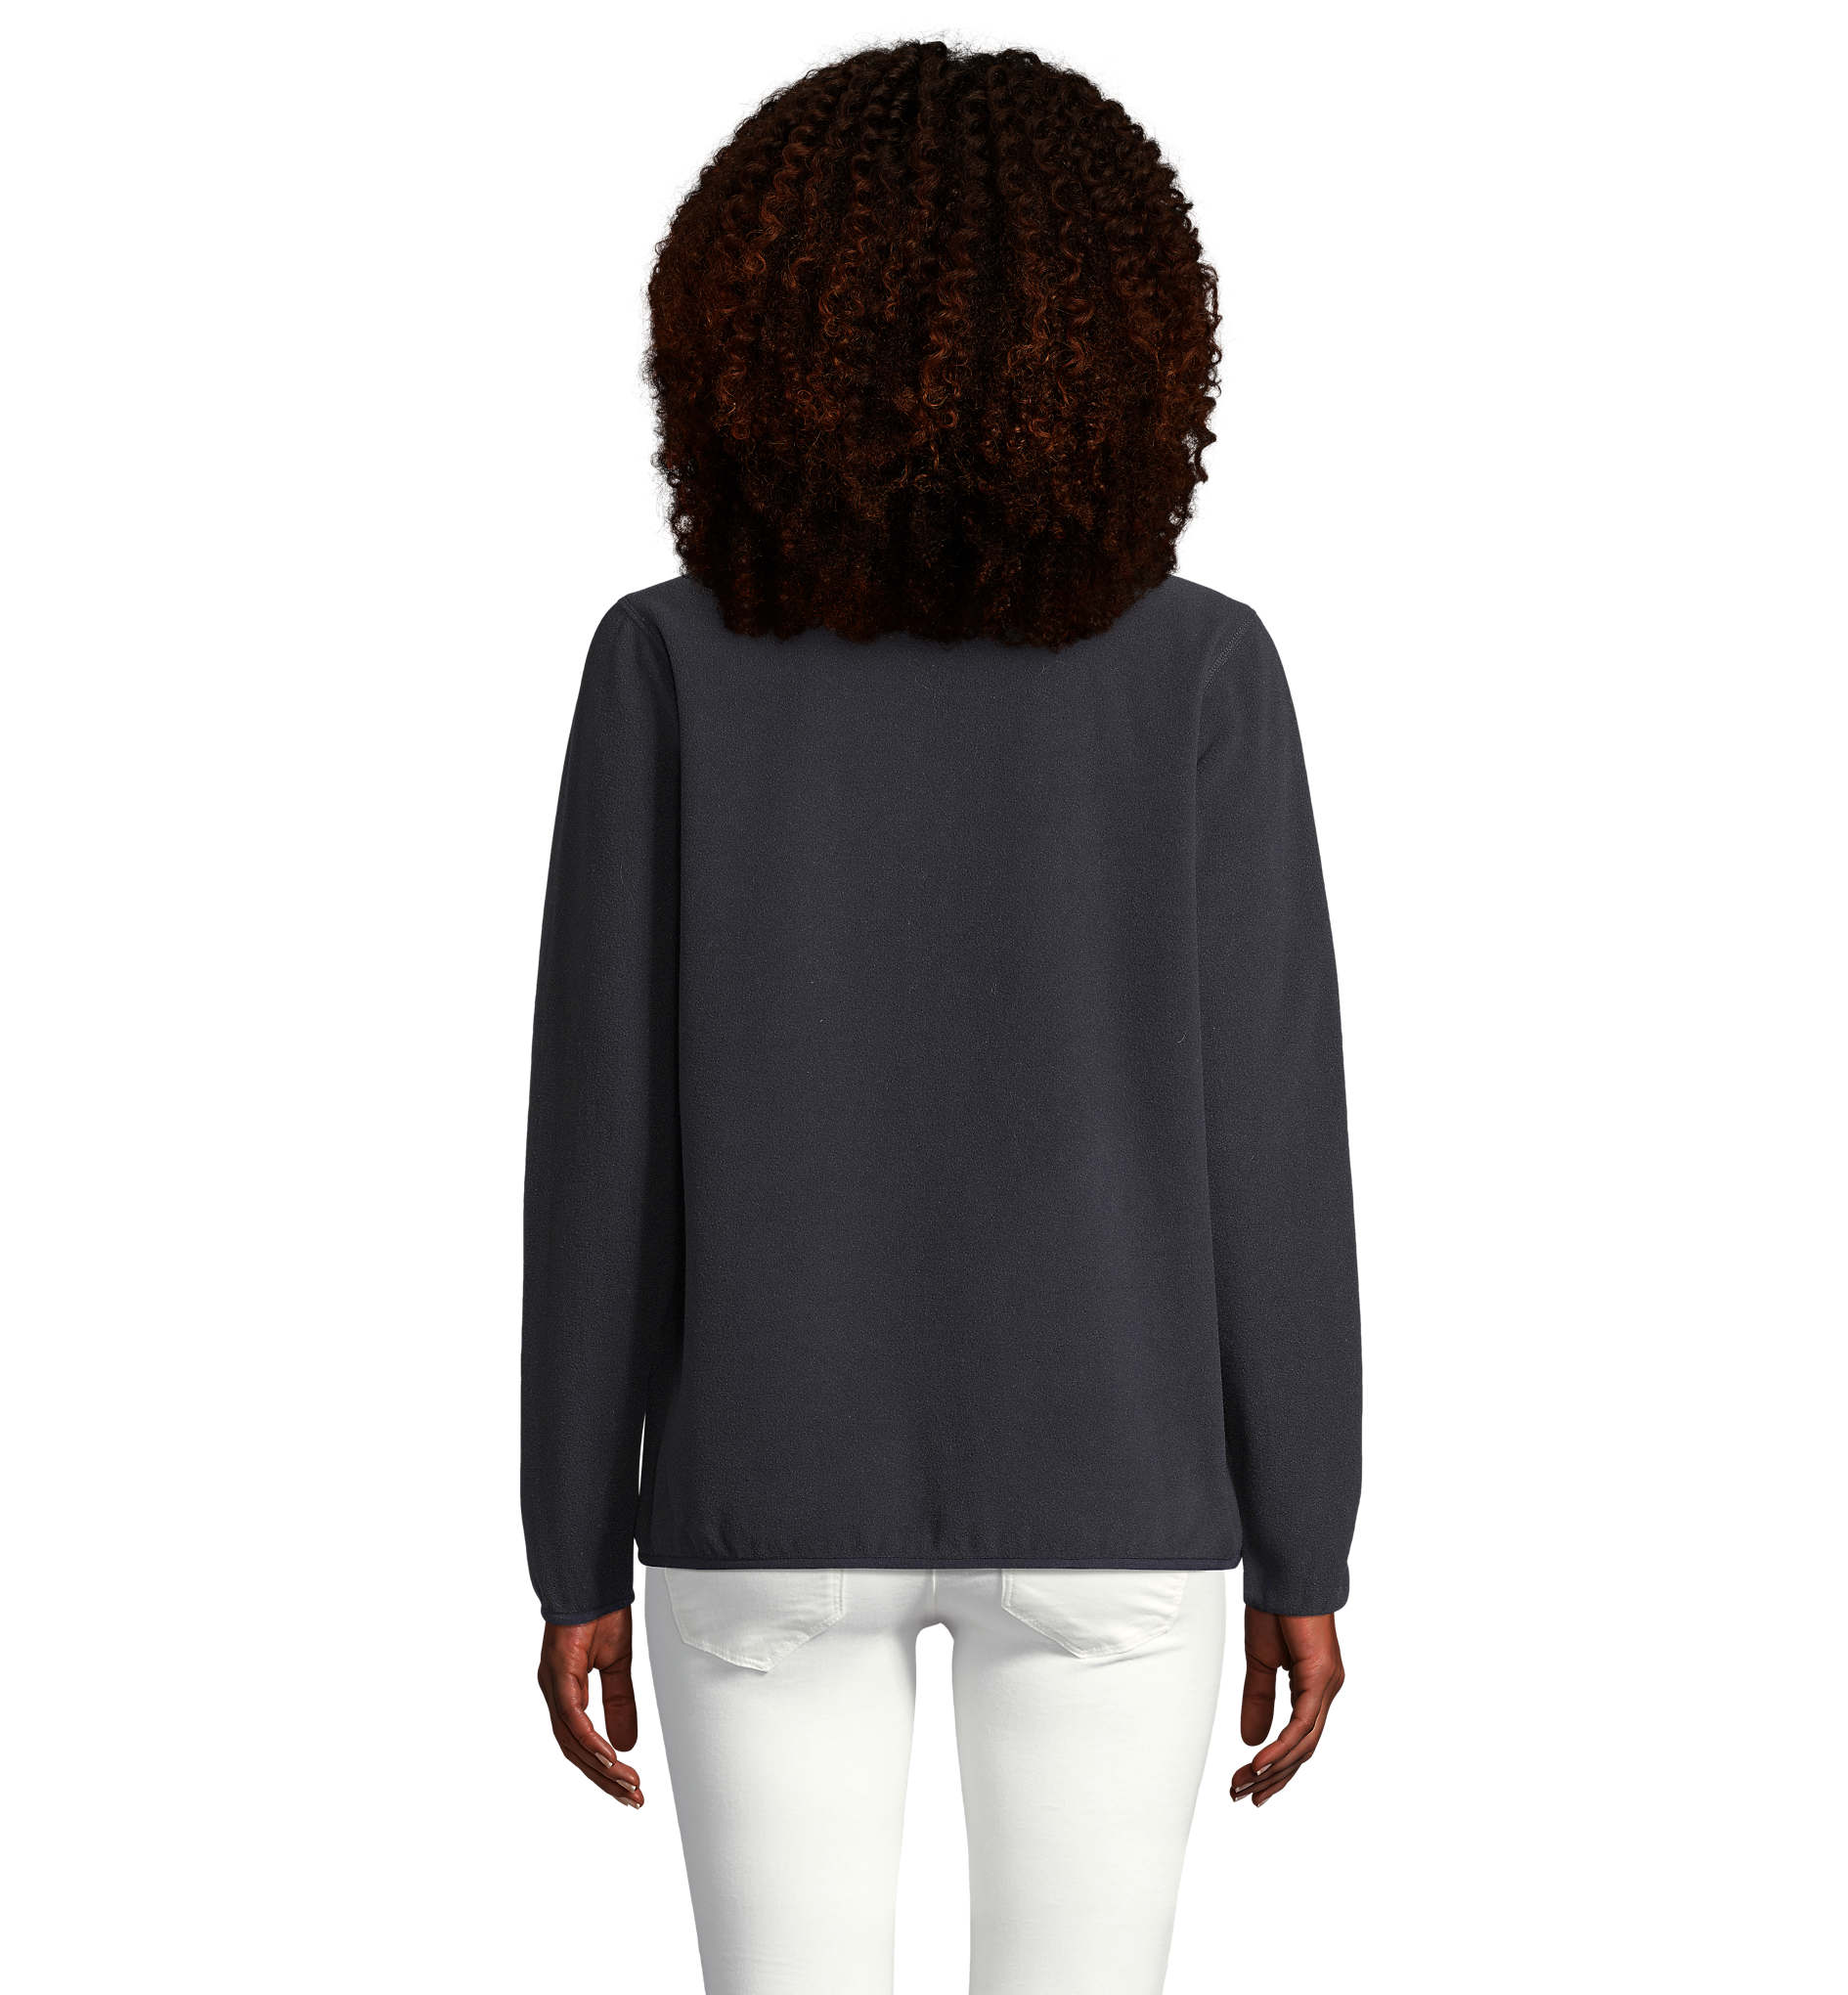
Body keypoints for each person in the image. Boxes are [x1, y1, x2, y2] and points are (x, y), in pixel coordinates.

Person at [521, 39, 1361, 1995]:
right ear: (1128, 335)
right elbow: (1270, 1141)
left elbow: (595, 1147)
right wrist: (1303, 1541)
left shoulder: (665, 665)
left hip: (757, 1494)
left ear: (743, 324)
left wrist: (570, 1544)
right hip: (1117, 1495)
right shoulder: (1200, 673)